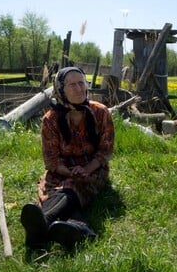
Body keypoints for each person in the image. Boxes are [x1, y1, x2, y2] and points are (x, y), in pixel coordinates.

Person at [20, 66, 115, 251]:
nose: (79, 89)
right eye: (72, 85)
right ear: (60, 90)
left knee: (70, 186)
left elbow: (105, 151)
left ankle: (42, 224)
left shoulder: (101, 113)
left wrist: (86, 169)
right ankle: (80, 230)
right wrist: (69, 171)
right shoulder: (51, 119)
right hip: (61, 171)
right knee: (58, 187)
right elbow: (51, 161)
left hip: (94, 169)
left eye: (82, 83)